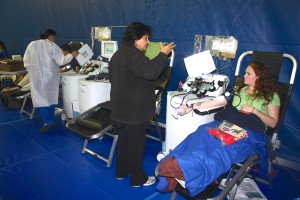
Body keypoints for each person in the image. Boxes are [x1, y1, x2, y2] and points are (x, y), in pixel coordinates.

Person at [109, 22, 176, 187]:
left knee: (124, 142)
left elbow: (116, 77)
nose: (147, 42)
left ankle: (121, 172)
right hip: (135, 112)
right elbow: (151, 72)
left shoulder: (118, 54)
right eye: (145, 38)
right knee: (137, 145)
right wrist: (163, 55)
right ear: (136, 38)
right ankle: (138, 179)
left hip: (121, 109)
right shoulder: (135, 55)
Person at [179, 62, 280, 129]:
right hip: (229, 126)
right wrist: (191, 106)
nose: (244, 75)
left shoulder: (271, 96)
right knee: (202, 131)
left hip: (250, 130)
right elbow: (219, 101)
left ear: (258, 76)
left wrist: (254, 111)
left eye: (248, 74)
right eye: (245, 73)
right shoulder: (238, 90)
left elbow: (273, 123)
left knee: (221, 148)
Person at [23, 29, 74, 133]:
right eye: (55, 37)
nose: (55, 40)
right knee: (51, 97)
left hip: (36, 77)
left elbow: (26, 61)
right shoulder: (52, 46)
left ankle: (48, 120)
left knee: (40, 99)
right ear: (50, 36)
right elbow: (61, 61)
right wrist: (71, 55)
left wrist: (31, 72)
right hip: (50, 77)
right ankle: (49, 120)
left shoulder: (32, 44)